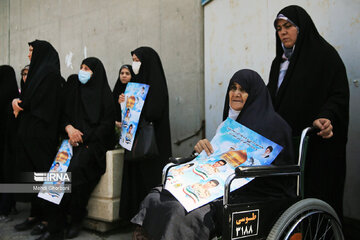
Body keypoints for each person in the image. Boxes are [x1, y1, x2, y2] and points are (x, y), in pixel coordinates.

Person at [131, 69, 294, 240]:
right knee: (157, 197)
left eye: (243, 90)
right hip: (217, 184)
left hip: (252, 191)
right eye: (233, 88)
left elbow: (281, 174)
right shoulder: (229, 125)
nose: (236, 94)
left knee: (184, 212)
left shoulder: (276, 127)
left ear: (254, 94)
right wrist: (201, 150)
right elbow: (217, 158)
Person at [267, 5, 349, 220]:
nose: (282, 32)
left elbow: (338, 94)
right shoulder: (279, 63)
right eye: (278, 28)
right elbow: (272, 99)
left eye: (288, 26)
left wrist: (327, 116)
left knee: (317, 202)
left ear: (302, 28)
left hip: (315, 144)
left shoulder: (325, 56)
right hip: (287, 146)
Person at [38, 57, 115, 240]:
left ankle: (75, 219)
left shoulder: (105, 96)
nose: (82, 71)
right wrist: (69, 129)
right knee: (55, 177)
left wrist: (82, 137)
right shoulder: (74, 93)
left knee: (75, 174)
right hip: (71, 144)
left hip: (92, 146)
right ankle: (55, 226)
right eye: (81, 67)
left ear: (95, 73)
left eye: (87, 68)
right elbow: (63, 116)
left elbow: (106, 126)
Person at [12, 40, 64, 236]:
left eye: (32, 51)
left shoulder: (49, 74)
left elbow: (39, 103)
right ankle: (37, 216)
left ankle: (53, 225)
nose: (28, 55)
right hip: (31, 135)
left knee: (47, 181)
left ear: (41, 52)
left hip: (42, 136)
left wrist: (20, 104)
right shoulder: (38, 72)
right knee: (34, 179)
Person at [119, 47, 172, 222]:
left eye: (137, 60)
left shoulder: (156, 85)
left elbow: (153, 112)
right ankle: (136, 221)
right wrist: (125, 104)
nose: (134, 64)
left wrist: (137, 106)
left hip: (152, 145)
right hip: (136, 144)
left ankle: (149, 223)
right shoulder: (135, 85)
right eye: (133, 59)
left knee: (149, 182)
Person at [0, 65, 19, 222]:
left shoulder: (7, 99)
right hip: (12, 144)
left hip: (7, 144)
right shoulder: (14, 97)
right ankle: (9, 205)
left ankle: (5, 208)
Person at [112, 64, 134, 128]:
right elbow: (111, 109)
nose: (124, 76)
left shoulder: (136, 91)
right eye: (122, 73)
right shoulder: (116, 90)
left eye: (127, 73)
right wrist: (118, 103)